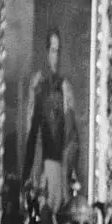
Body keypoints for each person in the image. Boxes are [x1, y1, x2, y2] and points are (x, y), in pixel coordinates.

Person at [23, 27, 79, 214]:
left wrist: (65, 170)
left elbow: (71, 133)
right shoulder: (37, 84)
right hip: (40, 162)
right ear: (46, 52)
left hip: (57, 165)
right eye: (52, 50)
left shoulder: (65, 88)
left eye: (57, 51)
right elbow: (31, 129)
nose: (54, 56)